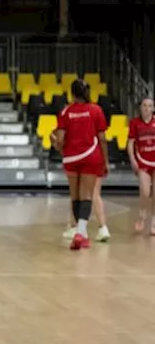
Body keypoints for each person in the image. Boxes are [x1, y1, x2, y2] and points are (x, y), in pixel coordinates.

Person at [51, 79, 108, 250]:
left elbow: (60, 139)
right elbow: (102, 139)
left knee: (75, 197)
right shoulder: (96, 110)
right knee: (87, 196)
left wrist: (56, 144)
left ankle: (80, 233)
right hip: (90, 156)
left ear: (72, 93)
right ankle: (81, 233)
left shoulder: (66, 111)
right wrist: (105, 161)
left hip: (71, 158)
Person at [128, 97, 155, 235]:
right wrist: (132, 160)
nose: (147, 108)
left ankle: (153, 222)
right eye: (144, 105)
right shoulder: (135, 123)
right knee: (145, 191)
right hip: (143, 161)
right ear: (140, 107)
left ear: (153, 108)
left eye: (150, 106)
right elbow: (131, 143)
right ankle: (142, 215)